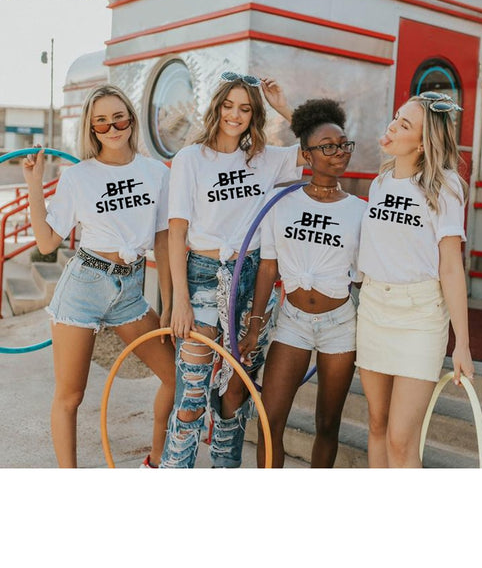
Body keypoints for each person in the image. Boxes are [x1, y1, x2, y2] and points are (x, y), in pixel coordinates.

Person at [22, 84, 176, 468]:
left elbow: (162, 243)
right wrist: (34, 187)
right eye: (102, 122)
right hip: (85, 284)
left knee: (178, 378)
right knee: (70, 396)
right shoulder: (79, 177)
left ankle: (156, 462)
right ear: (91, 129)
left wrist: (170, 305)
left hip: (130, 291)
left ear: (131, 118)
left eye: (118, 117)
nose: (112, 128)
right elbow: (46, 242)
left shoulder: (156, 172)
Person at [160, 71, 305, 469]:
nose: (234, 115)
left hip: (252, 279)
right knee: (190, 397)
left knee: (236, 394)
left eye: (244, 108)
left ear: (254, 114)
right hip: (203, 275)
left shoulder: (265, 159)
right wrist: (179, 302)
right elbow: (176, 233)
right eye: (228, 105)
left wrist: (284, 109)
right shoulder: (190, 159)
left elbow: (320, 150)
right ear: (216, 107)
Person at [242, 98, 366, 468]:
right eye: (327, 146)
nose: (339, 152)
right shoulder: (282, 202)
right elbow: (268, 269)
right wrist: (254, 326)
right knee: (270, 418)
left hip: (340, 327)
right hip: (292, 323)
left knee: (328, 424)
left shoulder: (360, 211)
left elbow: (362, 280)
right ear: (307, 156)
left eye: (344, 144)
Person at [355, 91, 475, 468]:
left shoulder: (446, 187)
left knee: (400, 438)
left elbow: (451, 267)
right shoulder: (381, 182)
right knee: (376, 424)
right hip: (374, 308)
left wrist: (463, 344)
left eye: (404, 124)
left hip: (419, 316)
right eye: (395, 117)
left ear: (423, 144)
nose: (392, 126)